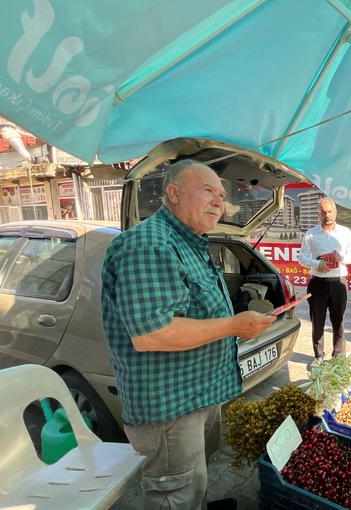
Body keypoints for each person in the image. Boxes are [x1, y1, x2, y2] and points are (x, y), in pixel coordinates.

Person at [101, 159, 275, 510]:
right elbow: (153, 334)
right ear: (173, 193)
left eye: (222, 195)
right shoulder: (150, 245)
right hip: (170, 407)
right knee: (175, 494)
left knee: (193, 481)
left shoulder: (189, 242)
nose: (219, 201)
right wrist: (234, 326)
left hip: (199, 393)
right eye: (208, 190)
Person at [299, 197, 351, 369]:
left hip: (338, 283)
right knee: (317, 321)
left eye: (330, 211)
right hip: (317, 283)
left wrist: (341, 257)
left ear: (336, 212)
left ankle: (338, 357)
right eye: (323, 212)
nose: (327, 215)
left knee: (338, 321)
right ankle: (319, 356)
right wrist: (317, 264)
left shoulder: (345, 233)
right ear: (318, 213)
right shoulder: (311, 234)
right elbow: (302, 257)